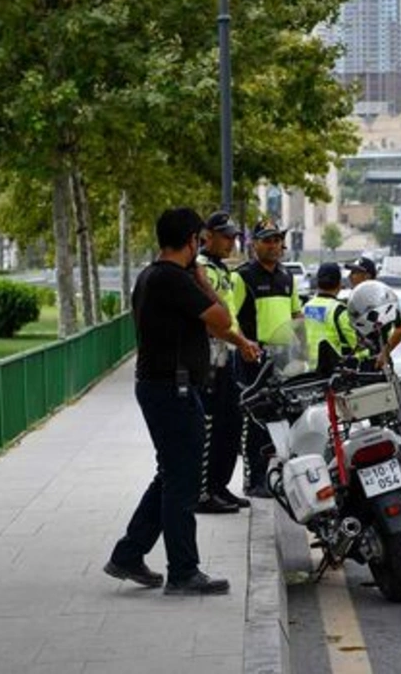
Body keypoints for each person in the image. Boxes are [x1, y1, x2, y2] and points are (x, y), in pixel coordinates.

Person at [105, 207, 260, 596]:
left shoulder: (152, 276)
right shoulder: (175, 279)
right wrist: (204, 282)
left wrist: (241, 344)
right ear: (192, 240)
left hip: (163, 387)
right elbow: (221, 317)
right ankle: (183, 571)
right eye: (200, 241)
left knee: (170, 475)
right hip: (171, 390)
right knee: (182, 481)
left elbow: (211, 328)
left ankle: (128, 555)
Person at [232, 216, 303, 498]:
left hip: (284, 357)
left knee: (284, 418)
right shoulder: (243, 277)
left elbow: (296, 314)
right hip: (254, 358)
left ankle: (280, 474)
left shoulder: (287, 276)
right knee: (255, 421)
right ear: (254, 245)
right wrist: (243, 344)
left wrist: (300, 354)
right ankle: (254, 479)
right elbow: (230, 316)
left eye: (277, 240)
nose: (275, 245)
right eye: (268, 240)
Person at [194, 210, 254, 515]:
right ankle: (203, 492)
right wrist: (240, 341)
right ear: (208, 236)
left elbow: (231, 313)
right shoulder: (201, 268)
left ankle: (219, 485)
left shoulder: (224, 270)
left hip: (227, 354)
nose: (231, 242)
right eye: (226, 236)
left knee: (231, 423)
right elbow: (210, 320)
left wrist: (243, 341)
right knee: (210, 427)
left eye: (234, 237)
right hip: (209, 359)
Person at [345, 255, 401, 368]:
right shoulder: (353, 299)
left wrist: (384, 353)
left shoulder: (381, 298)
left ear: (367, 276)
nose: (350, 276)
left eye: (354, 273)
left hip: (375, 363)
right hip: (354, 364)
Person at [303, 262, 359, 372]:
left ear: (318, 283)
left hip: (307, 373)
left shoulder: (305, 307)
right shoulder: (339, 310)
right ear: (339, 284)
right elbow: (356, 344)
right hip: (331, 374)